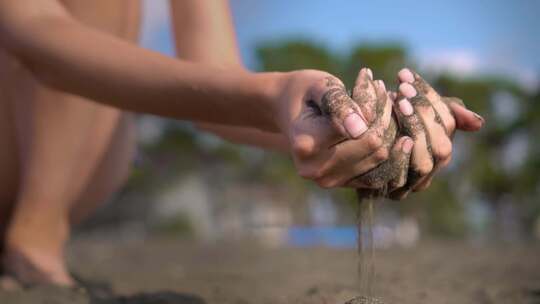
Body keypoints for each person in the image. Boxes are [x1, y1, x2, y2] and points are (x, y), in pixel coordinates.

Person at [0, 0, 484, 287]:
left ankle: (40, 221)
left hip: (71, 169)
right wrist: (274, 94)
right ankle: (35, 237)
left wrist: (344, 127)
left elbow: (220, 93)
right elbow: (33, 33)